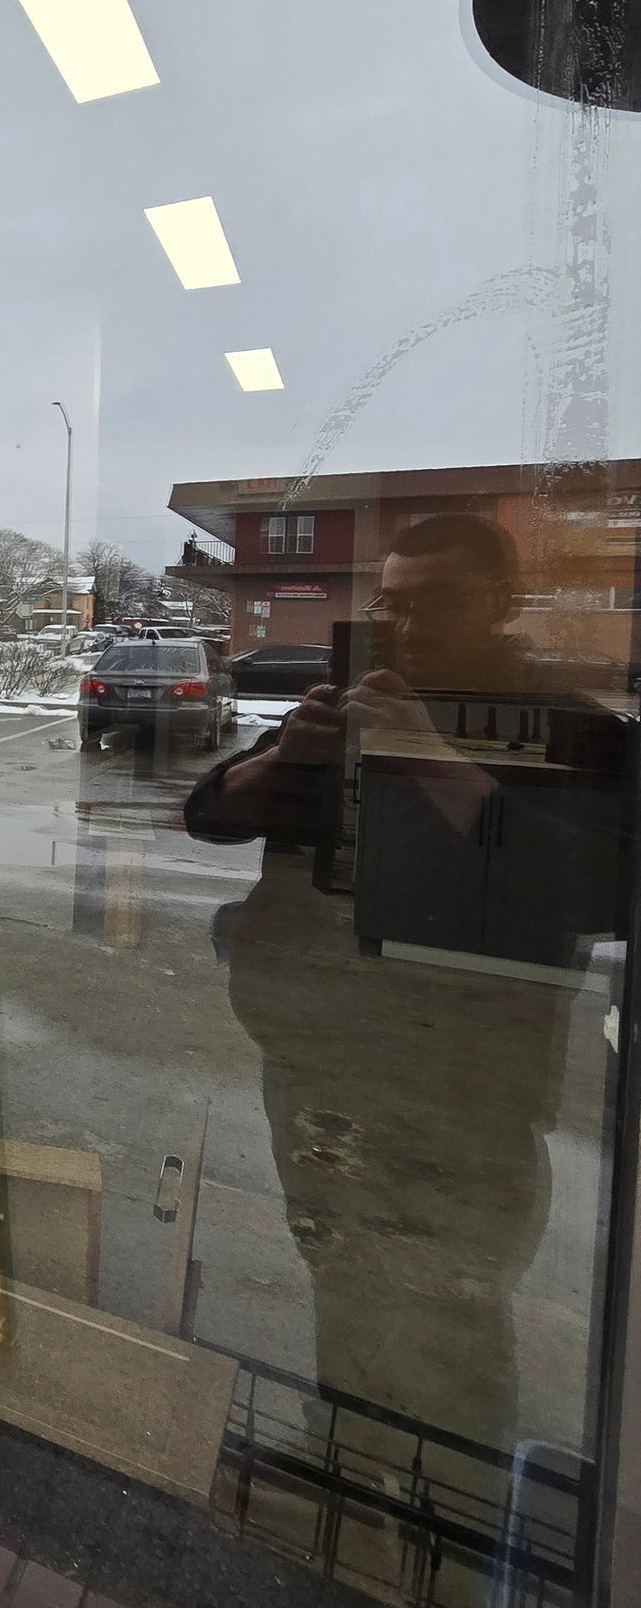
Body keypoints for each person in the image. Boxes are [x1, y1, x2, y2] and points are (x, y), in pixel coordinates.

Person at [184, 513, 607, 1468]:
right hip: (317, 1053)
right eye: (390, 604)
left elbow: (592, 885)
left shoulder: (571, 718)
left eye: (434, 605)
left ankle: (451, 1521)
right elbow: (208, 813)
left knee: (451, 1291)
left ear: (503, 604)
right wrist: (283, 759)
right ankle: (345, 1462)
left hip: (466, 1078)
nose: (405, 629)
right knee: (337, 1259)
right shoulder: (355, 702)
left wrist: (428, 755)